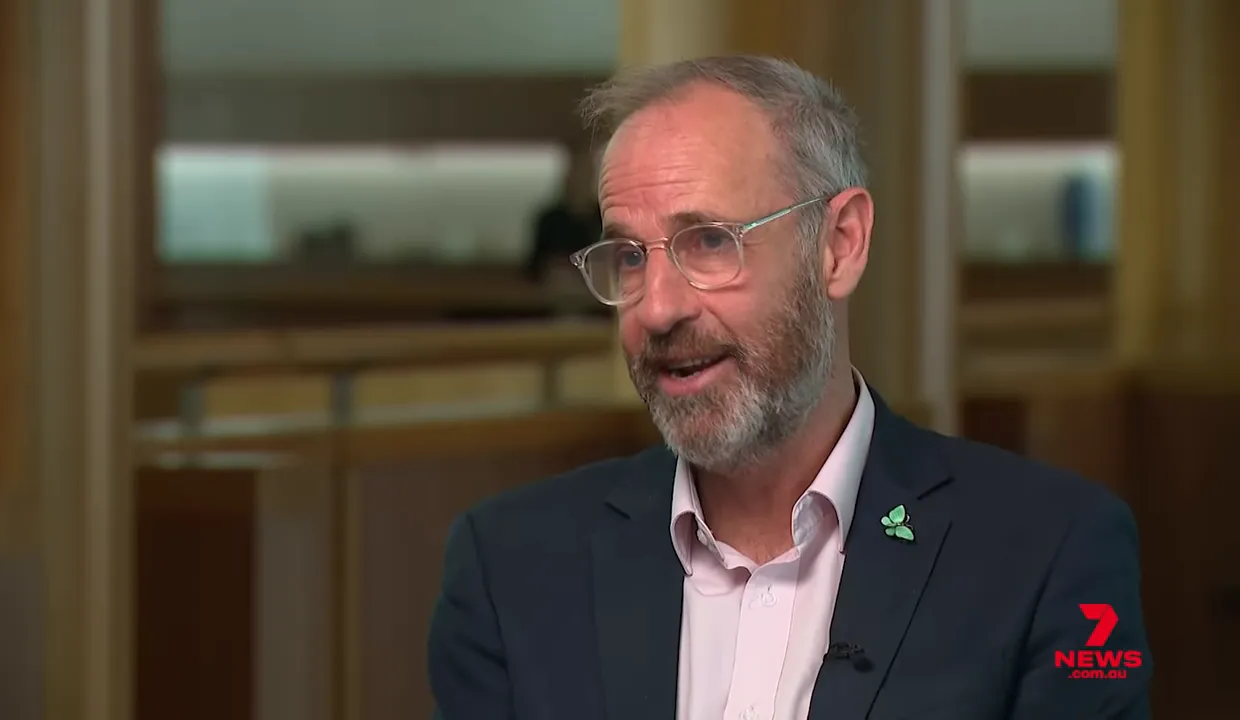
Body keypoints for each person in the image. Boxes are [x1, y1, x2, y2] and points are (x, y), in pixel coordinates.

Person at [428, 56, 1151, 720]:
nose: (655, 308)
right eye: (628, 256)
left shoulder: (1050, 552)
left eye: (710, 241)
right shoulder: (510, 565)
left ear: (839, 245)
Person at [525, 142, 602, 286]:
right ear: (566, 177)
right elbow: (533, 268)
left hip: (598, 299)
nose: (580, 179)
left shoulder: (604, 219)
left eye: (586, 173)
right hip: (554, 298)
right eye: (576, 172)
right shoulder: (548, 220)